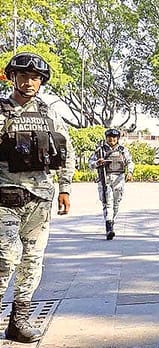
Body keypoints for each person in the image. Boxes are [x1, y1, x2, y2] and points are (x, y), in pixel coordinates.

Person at [0, 52, 75, 343]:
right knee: (5, 259)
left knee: (32, 261)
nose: (30, 82)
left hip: (40, 201)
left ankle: (19, 322)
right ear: (12, 78)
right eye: (24, 76)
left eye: (35, 78)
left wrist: (66, 188)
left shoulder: (50, 114)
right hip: (5, 198)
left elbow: (67, 152)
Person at [89, 129, 134, 240]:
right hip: (105, 179)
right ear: (106, 138)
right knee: (107, 203)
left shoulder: (123, 150)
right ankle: (109, 227)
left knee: (116, 203)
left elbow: (130, 162)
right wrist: (97, 163)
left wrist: (130, 172)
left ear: (117, 138)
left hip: (119, 179)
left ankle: (111, 221)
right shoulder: (100, 150)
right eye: (109, 137)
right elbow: (90, 163)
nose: (112, 139)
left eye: (114, 137)